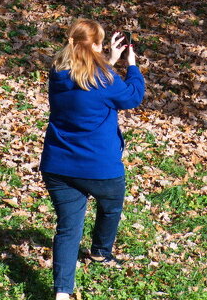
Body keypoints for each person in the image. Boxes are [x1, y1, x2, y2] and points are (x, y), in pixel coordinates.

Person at [40, 20, 144, 300]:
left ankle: (62, 293)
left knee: (68, 229)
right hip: (100, 167)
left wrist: (107, 62)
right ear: (96, 46)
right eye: (100, 44)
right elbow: (133, 97)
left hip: (58, 166)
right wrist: (131, 65)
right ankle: (100, 252)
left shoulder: (58, 72)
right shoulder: (106, 80)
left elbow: (85, 79)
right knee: (110, 207)